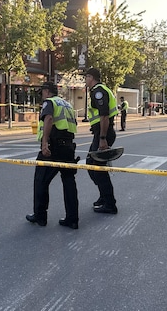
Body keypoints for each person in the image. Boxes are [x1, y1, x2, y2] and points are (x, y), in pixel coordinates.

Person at [26, 82, 80, 229]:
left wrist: (44, 143)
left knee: (41, 180)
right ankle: (72, 219)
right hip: (68, 146)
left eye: (42, 92)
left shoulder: (49, 102)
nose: (41, 95)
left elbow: (48, 119)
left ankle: (40, 216)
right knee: (69, 182)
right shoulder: (67, 104)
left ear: (47, 91)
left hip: (53, 147)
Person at [84, 68, 119, 214]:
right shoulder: (101, 89)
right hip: (100, 133)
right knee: (92, 166)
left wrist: (103, 139)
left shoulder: (98, 91)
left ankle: (110, 203)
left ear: (91, 77)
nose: (84, 80)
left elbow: (104, 116)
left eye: (85, 77)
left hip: (103, 133)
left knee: (98, 169)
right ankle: (104, 197)